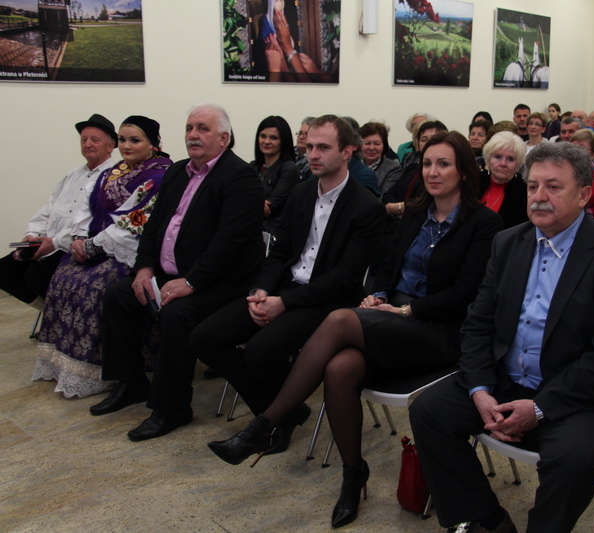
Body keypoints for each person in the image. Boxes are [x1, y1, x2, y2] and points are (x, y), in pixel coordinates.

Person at [205, 131, 502, 529]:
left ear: (464, 171)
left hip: (438, 331)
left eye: (443, 164)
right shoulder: (416, 213)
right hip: (391, 319)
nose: (432, 172)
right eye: (428, 164)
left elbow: (466, 294)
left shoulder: (484, 223)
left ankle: (265, 425)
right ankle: (352, 474)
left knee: (340, 319)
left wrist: (407, 309)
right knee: (339, 368)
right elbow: (386, 265)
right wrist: (377, 295)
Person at [407, 142, 594, 533]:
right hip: (506, 378)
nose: (538, 197)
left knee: (573, 463)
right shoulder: (508, 243)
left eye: (553, 187)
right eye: (533, 186)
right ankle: (487, 522)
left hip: (576, 393)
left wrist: (538, 408)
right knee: (428, 412)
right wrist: (480, 389)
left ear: (584, 195)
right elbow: (478, 323)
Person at [191, 115, 385, 451]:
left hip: (326, 303)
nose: (313, 154)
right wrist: (261, 291)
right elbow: (280, 253)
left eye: (323, 147)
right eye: (310, 147)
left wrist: (284, 303)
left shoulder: (366, 206)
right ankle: (286, 411)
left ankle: (272, 421)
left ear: (347, 151)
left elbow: (345, 278)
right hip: (284, 289)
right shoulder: (301, 192)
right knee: (204, 338)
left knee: (260, 352)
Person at [89, 104, 266, 442]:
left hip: (222, 282)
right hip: (173, 275)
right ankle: (131, 382)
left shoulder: (241, 177)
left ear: (224, 138)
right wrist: (144, 268)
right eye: (189, 128)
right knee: (119, 294)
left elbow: (229, 243)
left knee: (176, 314)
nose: (193, 135)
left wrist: (192, 281)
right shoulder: (177, 172)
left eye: (203, 128)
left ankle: (172, 408)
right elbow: (153, 226)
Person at [32, 116, 172, 398]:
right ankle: (66, 364)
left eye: (135, 140)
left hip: (134, 249)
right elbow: (87, 208)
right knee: (63, 276)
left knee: (92, 286)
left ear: (153, 144)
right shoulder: (115, 172)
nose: (126, 146)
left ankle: (102, 370)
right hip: (99, 243)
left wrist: (94, 246)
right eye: (123, 140)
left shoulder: (159, 175)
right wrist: (79, 239)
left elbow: (133, 223)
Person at [0, 114, 117, 309]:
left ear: (110, 146)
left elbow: (89, 223)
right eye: (84, 140)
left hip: (72, 246)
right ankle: (51, 314)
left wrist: (54, 243)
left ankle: (67, 318)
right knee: (5, 269)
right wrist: (32, 234)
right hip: (48, 242)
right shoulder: (73, 175)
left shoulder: (111, 177)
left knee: (37, 275)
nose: (87, 144)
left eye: (95, 140)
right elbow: (49, 208)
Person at [250, 115, 300, 236]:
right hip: (250, 230)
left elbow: (268, 209)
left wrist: (248, 202)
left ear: (283, 141)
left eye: (273, 138)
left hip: (273, 235)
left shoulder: (288, 169)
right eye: (263, 136)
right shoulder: (253, 167)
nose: (266, 141)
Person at [479, 131, 528, 228]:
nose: (503, 164)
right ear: (488, 159)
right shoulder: (473, 182)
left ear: (518, 164)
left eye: (510, 159)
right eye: (498, 157)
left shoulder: (524, 191)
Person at [571, 128, 594, 218]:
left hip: (587, 219)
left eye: (581, 148)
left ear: (592, 154)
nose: (576, 152)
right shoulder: (562, 172)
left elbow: (585, 198)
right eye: (573, 147)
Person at [360, 122, 401, 197]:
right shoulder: (349, 164)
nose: (371, 148)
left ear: (384, 146)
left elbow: (385, 197)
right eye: (367, 143)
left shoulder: (393, 168)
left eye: (377, 144)